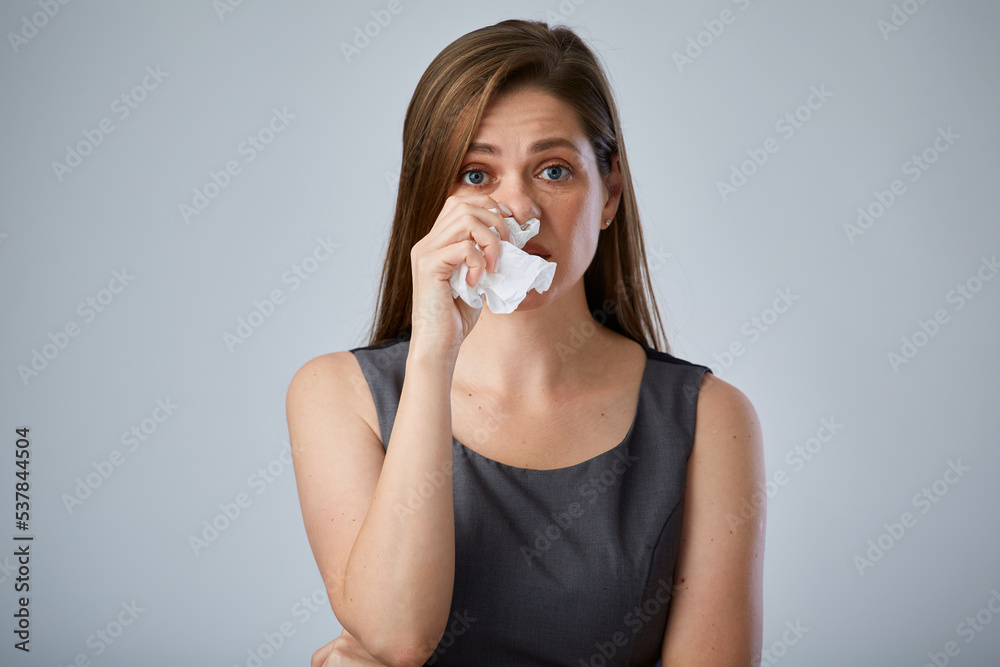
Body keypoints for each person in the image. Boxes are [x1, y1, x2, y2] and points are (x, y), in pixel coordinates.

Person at [286, 18, 765, 667]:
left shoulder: (710, 418)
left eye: (555, 170)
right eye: (476, 175)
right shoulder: (338, 395)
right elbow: (398, 637)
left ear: (609, 194)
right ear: (432, 198)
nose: (518, 209)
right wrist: (433, 350)